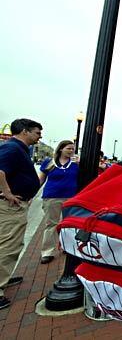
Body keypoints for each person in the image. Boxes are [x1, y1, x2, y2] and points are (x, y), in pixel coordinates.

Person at [0, 119, 42, 309]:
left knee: (10, 243)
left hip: (14, 204)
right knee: (7, 245)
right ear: (25, 131)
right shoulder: (13, 148)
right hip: (9, 207)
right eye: (36, 132)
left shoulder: (19, 149)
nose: (39, 136)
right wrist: (8, 193)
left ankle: (4, 278)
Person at [38, 140, 79, 264]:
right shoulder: (49, 163)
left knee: (69, 225)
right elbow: (41, 180)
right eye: (69, 149)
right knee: (51, 224)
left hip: (71, 198)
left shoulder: (75, 165)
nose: (71, 151)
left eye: (73, 149)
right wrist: (30, 195)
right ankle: (47, 252)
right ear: (61, 149)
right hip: (52, 197)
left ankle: (67, 247)